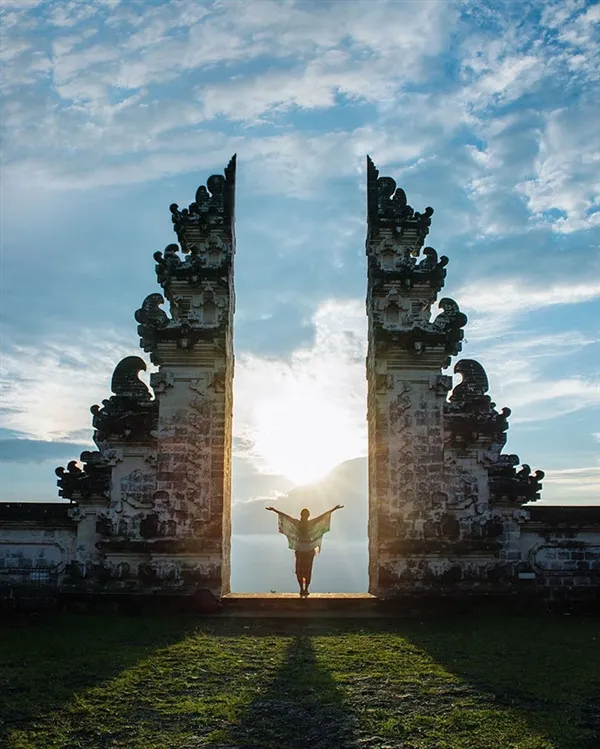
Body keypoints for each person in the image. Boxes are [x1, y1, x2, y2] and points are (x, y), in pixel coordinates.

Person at [265, 504, 344, 597]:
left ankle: (302, 589)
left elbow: (285, 516)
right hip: (308, 550)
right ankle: (305, 589)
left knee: (300, 570)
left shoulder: (297, 523)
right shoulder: (310, 523)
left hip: (300, 550)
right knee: (307, 570)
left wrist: (274, 510)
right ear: (308, 515)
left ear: (301, 515)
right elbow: (323, 516)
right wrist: (334, 509)